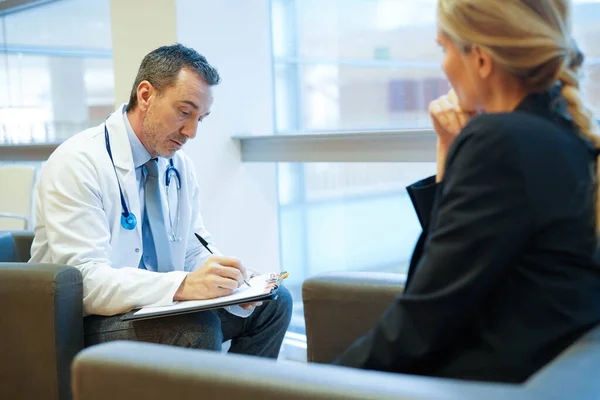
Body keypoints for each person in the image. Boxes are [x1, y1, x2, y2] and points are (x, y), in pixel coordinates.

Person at [334, 0, 600, 383]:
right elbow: (454, 266)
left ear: (481, 59)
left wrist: (304, 387)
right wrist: (449, 147)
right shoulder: (562, 135)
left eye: (444, 48)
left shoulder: (502, 141)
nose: (442, 65)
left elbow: (422, 317)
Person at [29, 43, 292, 357]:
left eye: (201, 118)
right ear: (145, 95)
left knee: (274, 303)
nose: (192, 131)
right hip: (85, 320)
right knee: (195, 329)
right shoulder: (77, 162)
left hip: (157, 306)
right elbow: (84, 282)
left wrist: (231, 283)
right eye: (184, 112)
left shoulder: (178, 166)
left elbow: (193, 245)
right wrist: (183, 286)